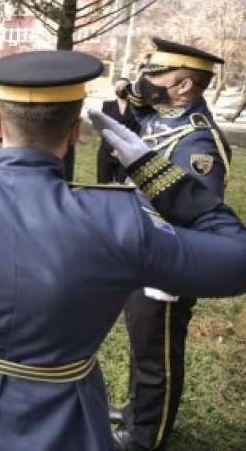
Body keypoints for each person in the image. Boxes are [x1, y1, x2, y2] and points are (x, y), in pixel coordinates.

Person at [0, 49, 246, 451]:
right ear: (75, 132)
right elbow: (235, 257)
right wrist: (155, 172)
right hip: (66, 419)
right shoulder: (120, 219)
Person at [112, 38, 231, 451]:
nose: (147, 78)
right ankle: (134, 412)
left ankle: (147, 436)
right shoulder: (164, 119)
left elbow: (193, 211)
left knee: (157, 354)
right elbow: (137, 103)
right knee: (142, 344)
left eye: (157, 73)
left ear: (183, 87)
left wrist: (169, 274)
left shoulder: (197, 144)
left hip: (165, 265)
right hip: (139, 253)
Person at [97, 77, 139, 183]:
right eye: (118, 87)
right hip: (107, 152)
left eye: (124, 87)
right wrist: (114, 147)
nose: (121, 89)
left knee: (123, 186)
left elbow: (136, 130)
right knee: (103, 184)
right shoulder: (107, 105)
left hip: (127, 154)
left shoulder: (136, 107)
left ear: (129, 88)